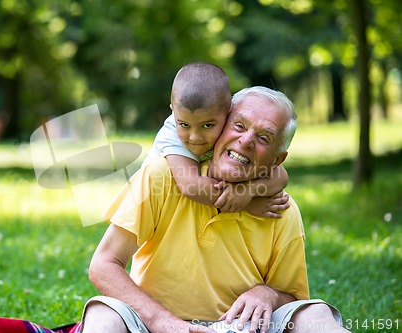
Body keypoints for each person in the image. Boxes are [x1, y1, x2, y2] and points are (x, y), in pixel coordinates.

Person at [79, 86, 350, 333]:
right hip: (155, 324)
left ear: (277, 160)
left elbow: (293, 300)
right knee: (104, 314)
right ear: (219, 126)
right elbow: (104, 265)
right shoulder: (163, 175)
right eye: (239, 125)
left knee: (316, 314)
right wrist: (163, 322)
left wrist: (269, 294)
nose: (245, 141)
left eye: (264, 138)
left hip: (240, 329)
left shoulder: (280, 209)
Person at [143, 62, 289, 216]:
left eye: (207, 126)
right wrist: (249, 203)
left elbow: (281, 176)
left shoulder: (222, 120)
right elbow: (191, 186)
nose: (195, 137)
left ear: (228, 111)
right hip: (147, 207)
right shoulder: (171, 134)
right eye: (184, 124)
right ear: (173, 110)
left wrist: (248, 190)